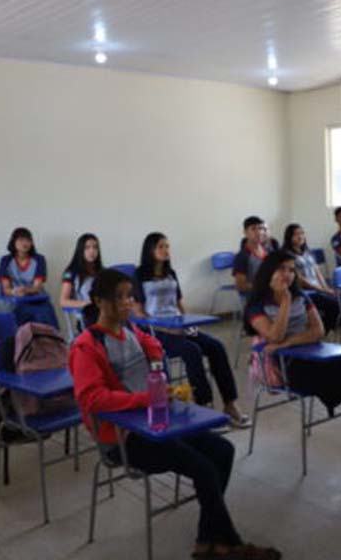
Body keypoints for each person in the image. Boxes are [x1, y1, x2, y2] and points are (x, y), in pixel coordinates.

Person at [69, 269, 281, 560]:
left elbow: (153, 343)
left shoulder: (129, 329)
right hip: (124, 437)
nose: (126, 303)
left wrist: (155, 361)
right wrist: (147, 397)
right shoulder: (86, 346)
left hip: (156, 422)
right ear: (98, 302)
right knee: (204, 468)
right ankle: (230, 543)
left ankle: (207, 541)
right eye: (117, 298)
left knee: (223, 450)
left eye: (128, 296)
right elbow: (92, 398)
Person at [133, 232, 250, 428]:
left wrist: (189, 324)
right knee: (192, 351)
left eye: (167, 246)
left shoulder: (171, 273)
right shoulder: (139, 275)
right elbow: (139, 314)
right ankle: (204, 407)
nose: (166, 250)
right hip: (158, 332)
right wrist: (167, 328)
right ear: (150, 250)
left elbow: (180, 304)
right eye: (161, 246)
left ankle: (230, 404)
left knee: (216, 346)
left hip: (181, 326)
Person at [244, 252, 341, 414]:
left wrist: (289, 342)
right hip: (287, 365)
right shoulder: (256, 305)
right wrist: (285, 301)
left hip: (312, 351)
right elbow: (275, 336)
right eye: (282, 269)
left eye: (292, 270)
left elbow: (318, 330)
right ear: (269, 271)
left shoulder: (300, 296)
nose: (287, 274)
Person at [281, 223, 339, 333]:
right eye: (296, 234)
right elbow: (299, 279)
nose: (300, 237)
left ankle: (323, 329)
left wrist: (325, 288)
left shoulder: (307, 252)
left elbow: (318, 273)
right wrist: (320, 290)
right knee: (334, 304)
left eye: (302, 233)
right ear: (289, 237)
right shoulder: (287, 255)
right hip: (305, 291)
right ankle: (321, 331)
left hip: (317, 289)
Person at [0, 227, 59, 329]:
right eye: (21, 240)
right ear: (13, 242)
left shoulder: (39, 259)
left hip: (37, 300)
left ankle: (52, 342)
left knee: (45, 311)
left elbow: (37, 287)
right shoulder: (5, 261)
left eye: (28, 240)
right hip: (16, 301)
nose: (25, 243)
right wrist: (14, 292)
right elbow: (6, 289)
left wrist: (25, 290)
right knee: (19, 316)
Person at [232, 216, 275, 295]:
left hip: (271, 295)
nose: (259, 232)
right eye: (253, 229)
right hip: (255, 299)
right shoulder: (242, 256)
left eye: (261, 228)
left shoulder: (269, 251)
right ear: (245, 232)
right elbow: (241, 286)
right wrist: (265, 285)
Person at [60, 233, 103, 309]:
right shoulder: (71, 272)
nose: (92, 251)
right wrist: (87, 304)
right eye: (87, 248)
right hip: (88, 312)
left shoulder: (102, 270)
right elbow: (63, 301)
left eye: (95, 247)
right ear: (80, 250)